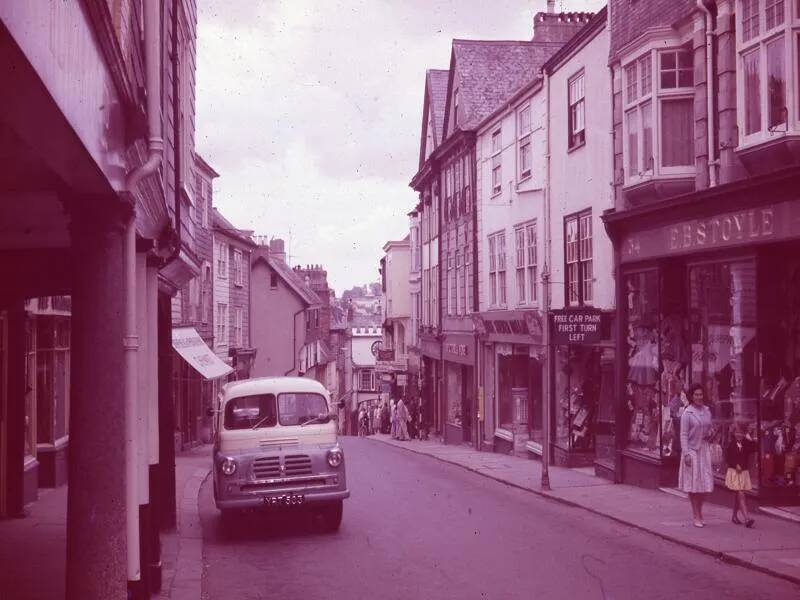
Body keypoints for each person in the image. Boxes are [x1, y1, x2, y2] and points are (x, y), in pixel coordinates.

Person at [679, 383, 715, 528]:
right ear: (691, 397)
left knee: (706, 485)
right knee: (694, 485)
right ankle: (696, 514)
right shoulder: (687, 413)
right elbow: (683, 434)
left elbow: (709, 427)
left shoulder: (707, 411)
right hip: (692, 451)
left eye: (701, 394)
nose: (699, 397)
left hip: (704, 450)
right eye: (696, 395)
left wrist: (711, 433)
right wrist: (686, 453)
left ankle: (700, 510)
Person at [725, 424, 756, 528]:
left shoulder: (746, 444)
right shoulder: (731, 445)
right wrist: (735, 465)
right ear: (734, 433)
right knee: (741, 494)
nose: (739, 435)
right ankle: (747, 518)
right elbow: (728, 459)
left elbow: (756, 448)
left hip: (743, 473)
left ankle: (734, 516)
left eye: (741, 433)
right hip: (734, 472)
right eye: (737, 432)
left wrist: (749, 438)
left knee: (738, 496)